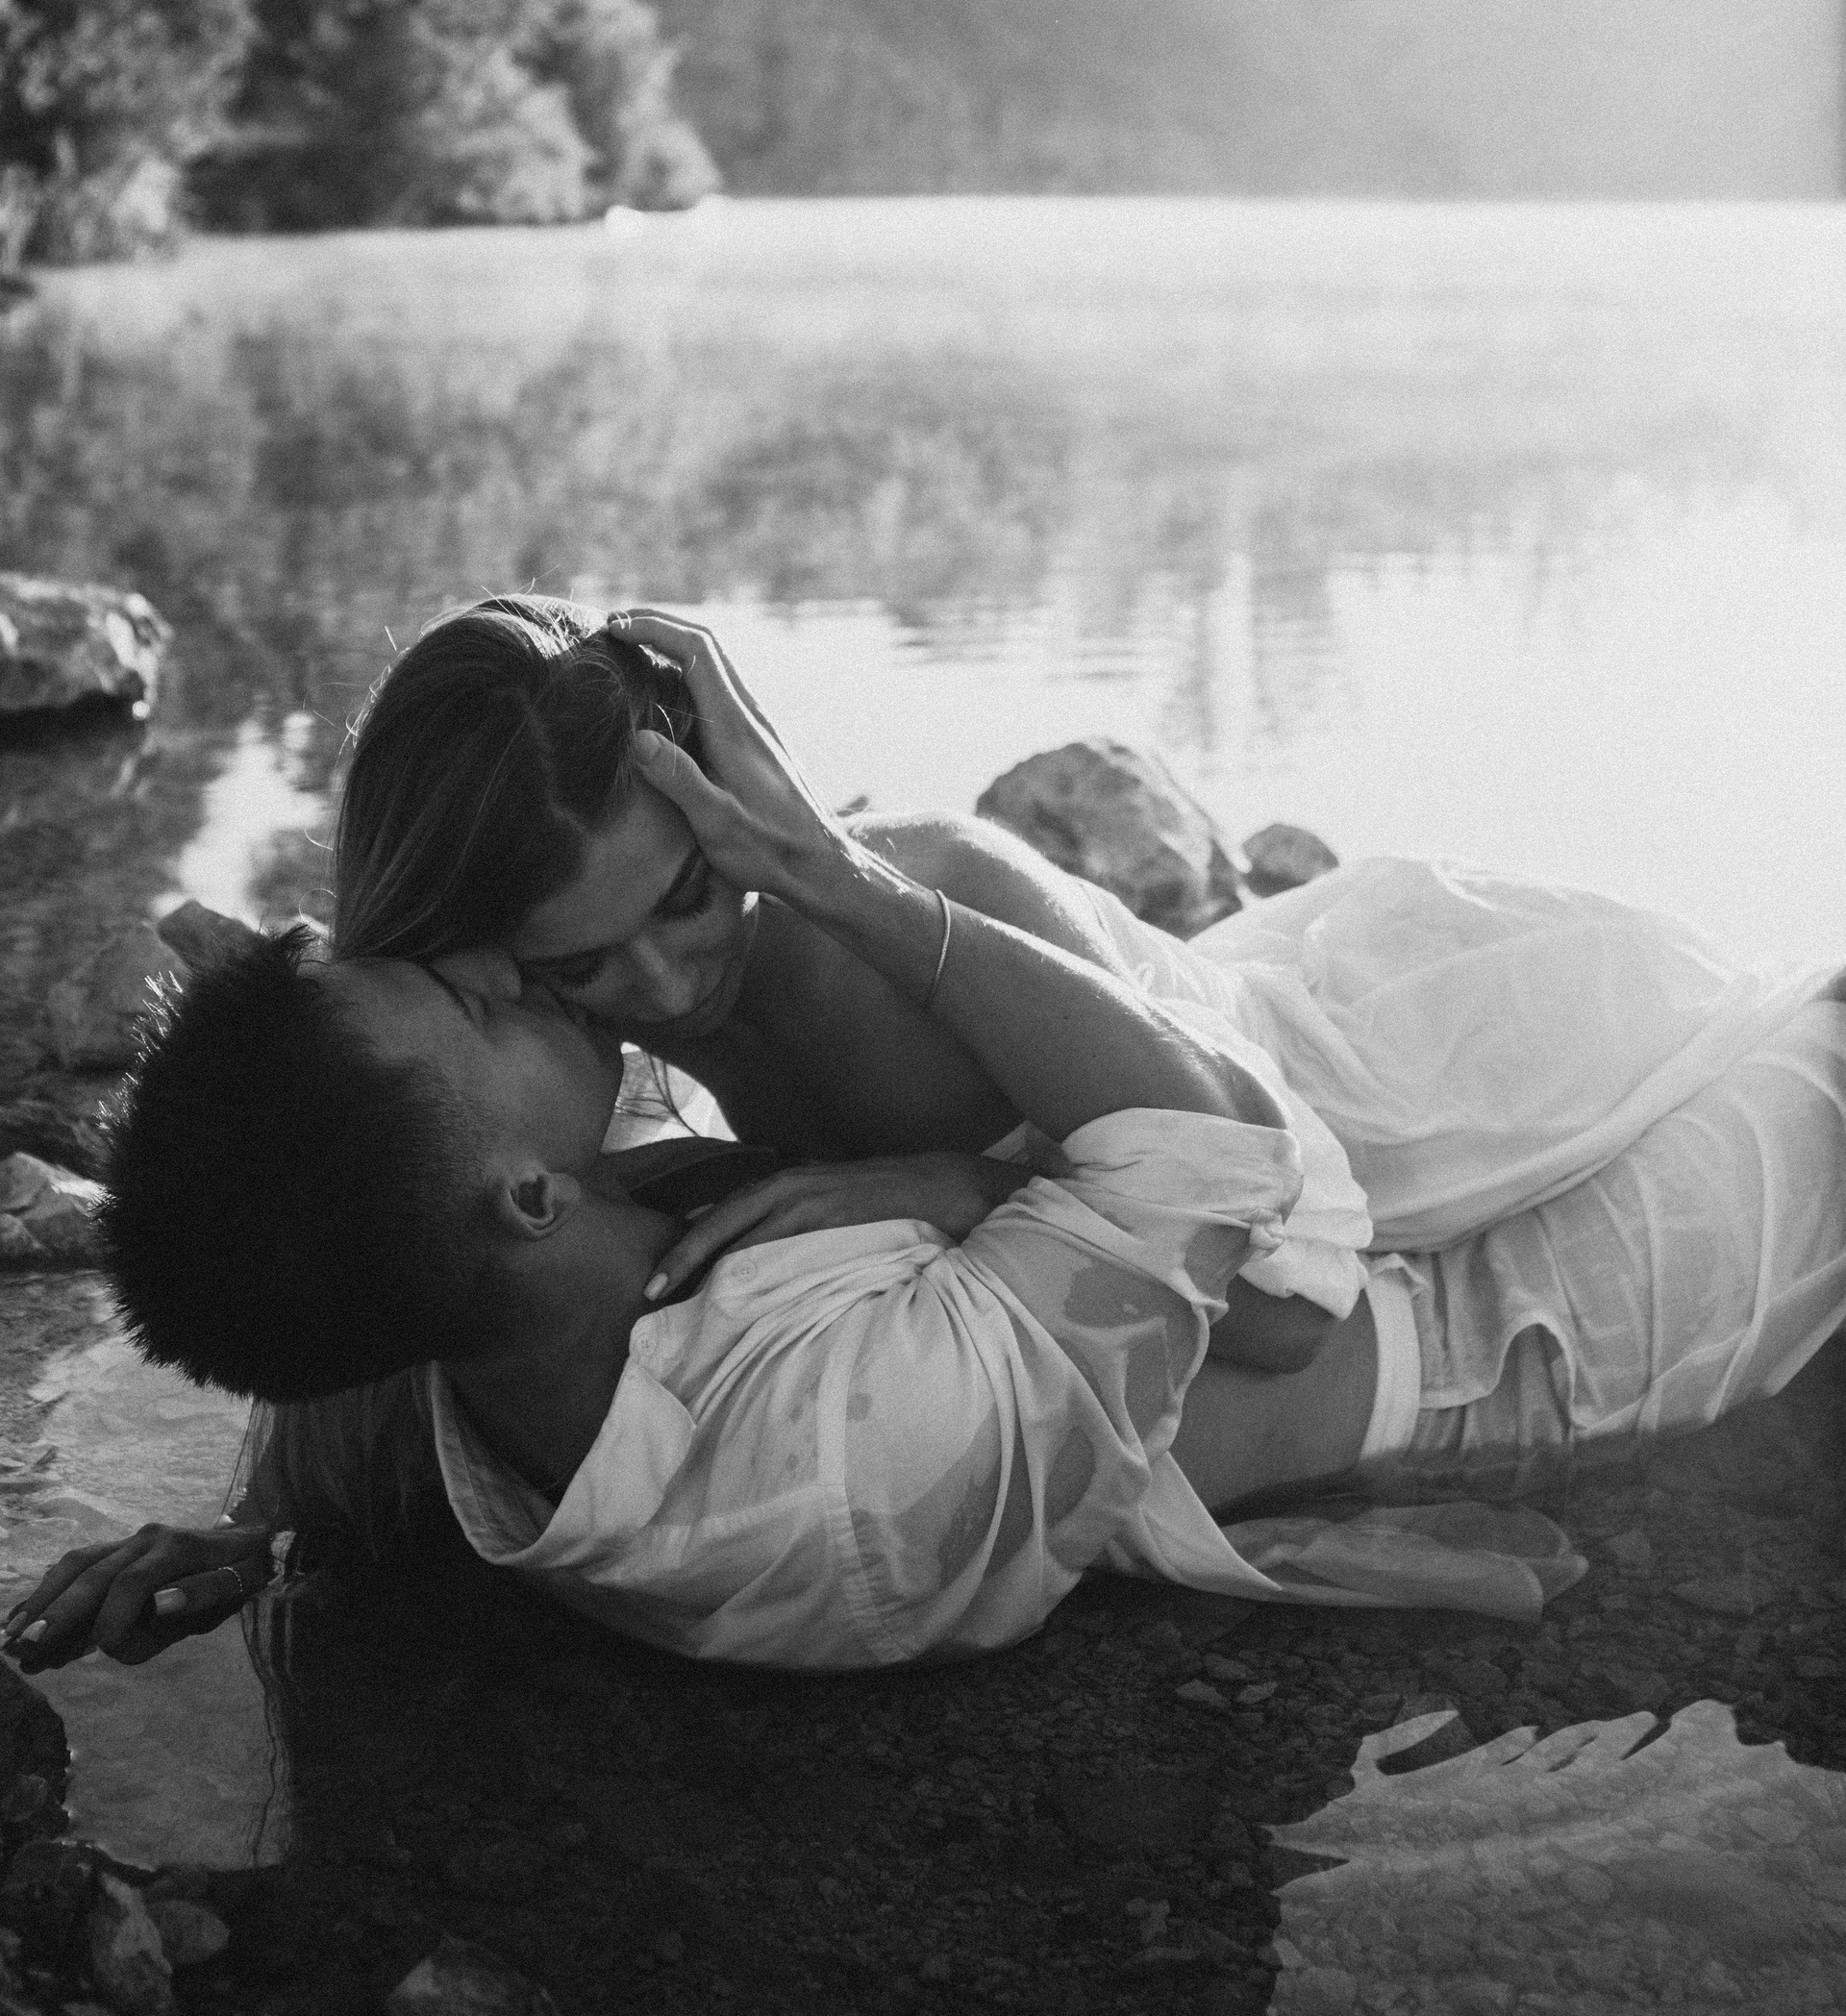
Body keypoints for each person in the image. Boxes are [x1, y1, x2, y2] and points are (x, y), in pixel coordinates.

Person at [8, 612, 1843, 1669]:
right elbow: (369, 1231)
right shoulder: (499, 1111)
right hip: (1231, 1229)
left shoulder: (903, 915)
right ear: (467, 945)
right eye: (560, 967)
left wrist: (948, 1144)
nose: (660, 981)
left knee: (1767, 1028)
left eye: (695, 892)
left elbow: (1283, 1294)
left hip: (1389, 1114)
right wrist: (262, 1524)